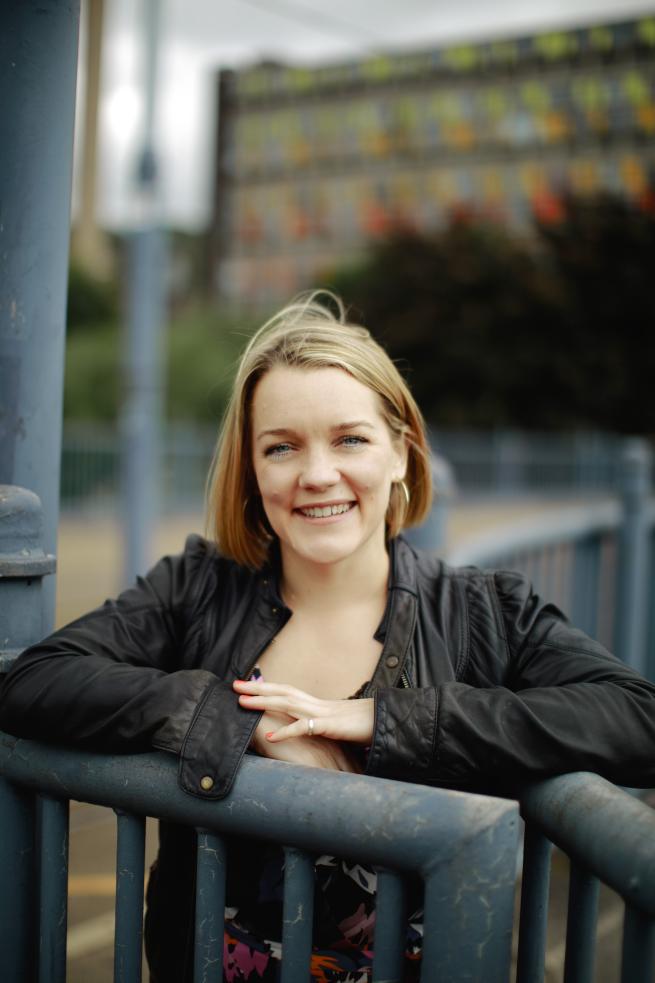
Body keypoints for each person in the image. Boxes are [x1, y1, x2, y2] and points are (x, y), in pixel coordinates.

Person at [1, 290, 655, 982]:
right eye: (280, 447)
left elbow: (637, 717)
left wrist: (387, 719)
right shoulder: (195, 587)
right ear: (252, 471)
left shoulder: (483, 611)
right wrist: (230, 720)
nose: (317, 474)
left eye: (349, 438)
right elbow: (35, 679)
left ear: (401, 452)